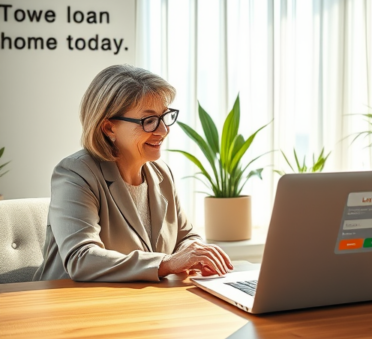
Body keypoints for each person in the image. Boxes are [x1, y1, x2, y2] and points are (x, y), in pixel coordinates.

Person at [35, 64, 233, 282]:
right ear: (109, 128)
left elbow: (186, 236)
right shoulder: (76, 173)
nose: (163, 130)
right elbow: (81, 258)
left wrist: (195, 253)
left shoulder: (161, 173)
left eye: (165, 117)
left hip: (142, 299)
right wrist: (168, 263)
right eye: (149, 121)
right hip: (74, 299)